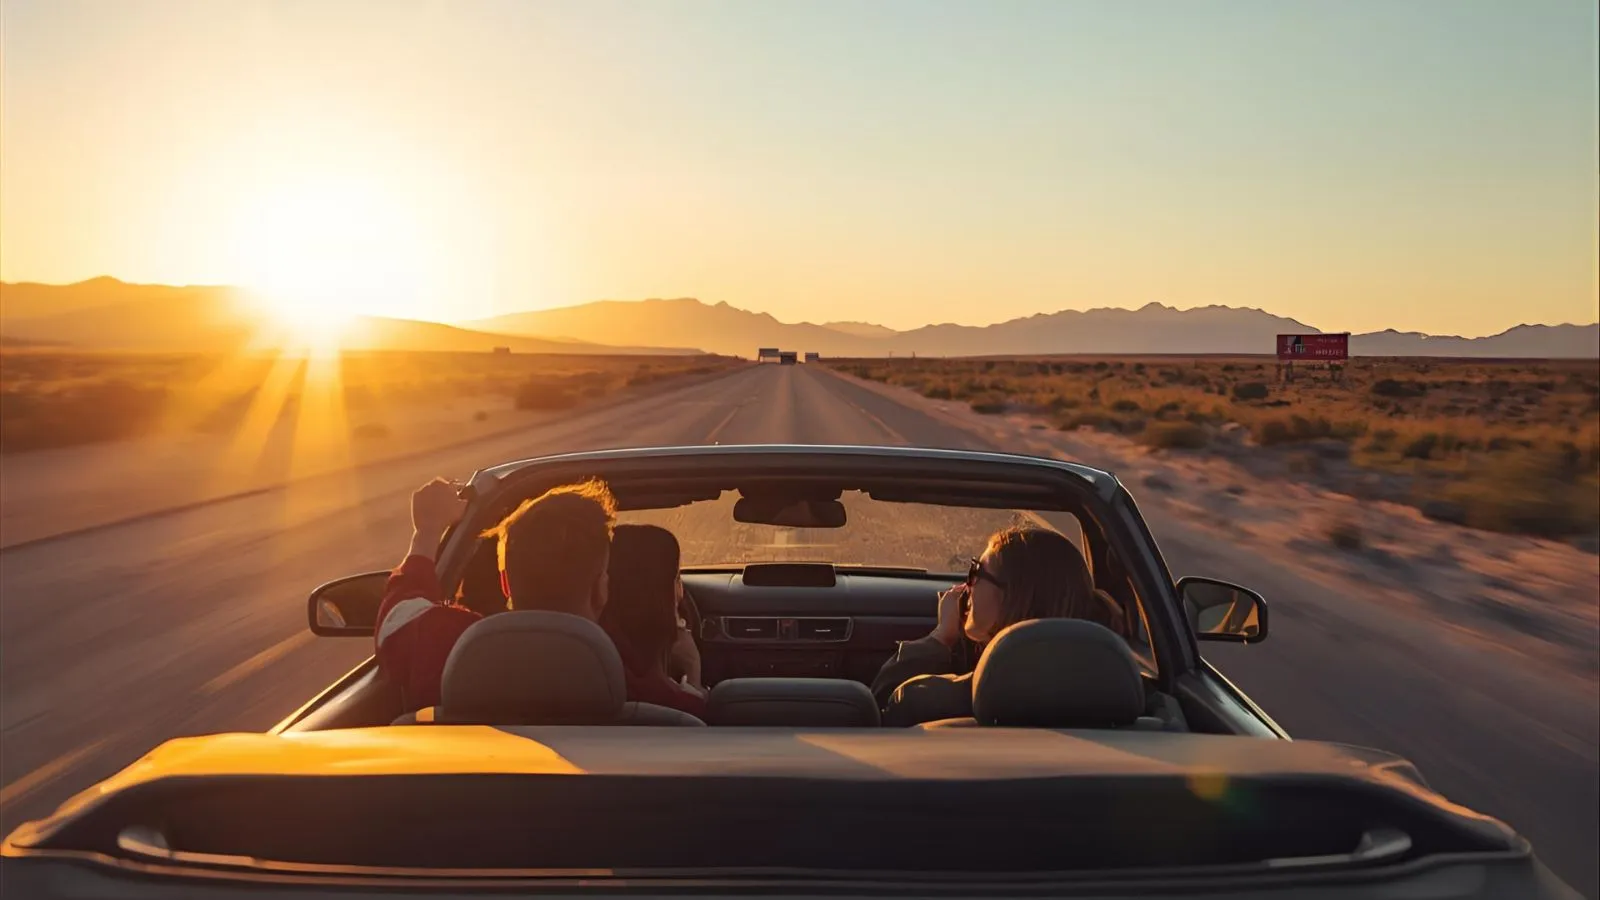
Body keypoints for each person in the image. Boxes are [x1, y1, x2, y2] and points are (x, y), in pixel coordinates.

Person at [374, 476, 617, 712]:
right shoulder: (626, 684)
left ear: (505, 584)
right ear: (600, 591)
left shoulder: (452, 650)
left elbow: (397, 615)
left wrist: (427, 532)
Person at [869, 526, 1122, 726]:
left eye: (976, 572)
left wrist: (939, 638)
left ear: (1014, 596)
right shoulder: (1121, 699)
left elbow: (878, 714)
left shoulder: (926, 701)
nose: (967, 586)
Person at [599, 524, 708, 719]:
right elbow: (691, 717)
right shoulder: (673, 707)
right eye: (676, 579)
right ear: (658, 593)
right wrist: (692, 672)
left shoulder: (594, 649)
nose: (680, 594)